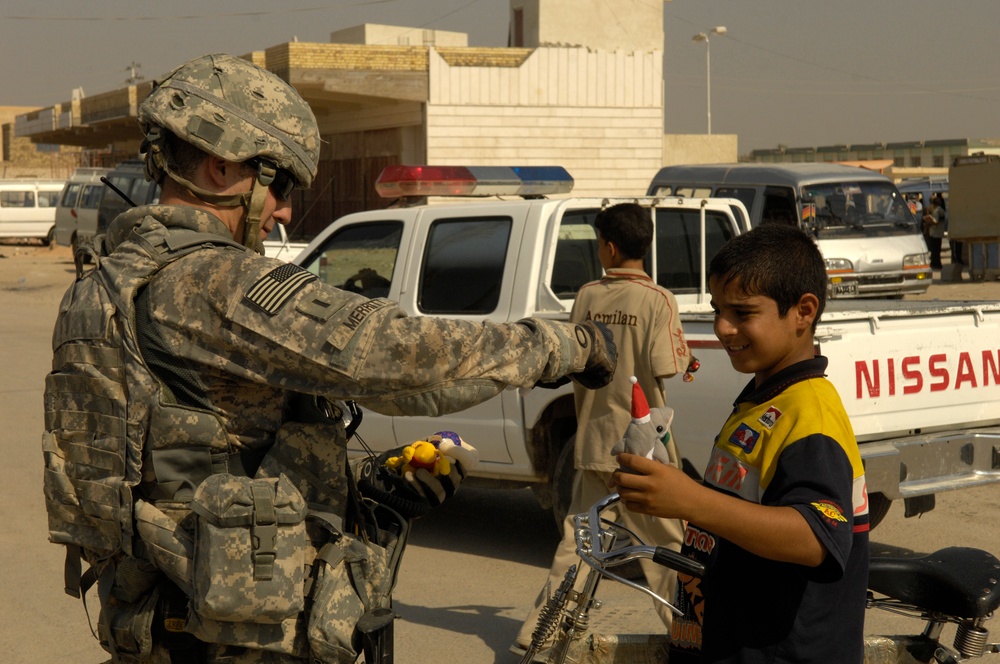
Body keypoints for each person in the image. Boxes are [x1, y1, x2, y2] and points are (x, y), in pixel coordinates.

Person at [43, 53, 617, 664]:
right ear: (222, 167)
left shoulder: (104, 282)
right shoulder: (213, 281)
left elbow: (190, 448)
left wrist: (370, 494)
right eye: (280, 185)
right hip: (232, 640)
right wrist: (565, 345)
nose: (285, 210)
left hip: (163, 617)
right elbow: (395, 356)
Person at [612, 223, 870, 663]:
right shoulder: (765, 396)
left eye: (742, 313)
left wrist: (691, 500)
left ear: (803, 311)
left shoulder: (811, 413)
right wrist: (673, 489)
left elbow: (817, 537)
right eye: (717, 309)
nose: (722, 328)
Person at [513, 203, 691, 658]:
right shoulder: (658, 300)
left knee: (579, 542)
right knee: (669, 549)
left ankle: (542, 636)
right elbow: (667, 366)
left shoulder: (589, 296)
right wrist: (690, 361)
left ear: (608, 247)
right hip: (644, 449)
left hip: (595, 444)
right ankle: (694, 636)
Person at [924, 194, 947, 269]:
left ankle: (936, 264)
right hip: (938, 233)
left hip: (936, 233)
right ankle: (936, 263)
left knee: (935, 250)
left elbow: (935, 221)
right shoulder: (941, 210)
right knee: (936, 249)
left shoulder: (937, 210)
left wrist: (930, 221)